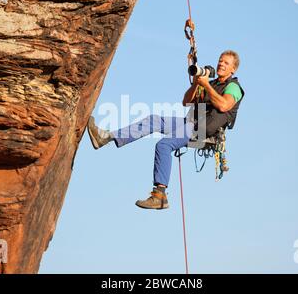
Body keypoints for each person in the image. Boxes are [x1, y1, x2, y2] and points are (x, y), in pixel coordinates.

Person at [87, 50, 245, 210]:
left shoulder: (233, 87)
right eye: (220, 60)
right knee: (153, 120)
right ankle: (106, 137)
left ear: (233, 69)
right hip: (192, 122)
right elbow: (186, 102)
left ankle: (160, 195)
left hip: (203, 129)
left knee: (164, 145)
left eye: (226, 63)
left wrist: (205, 86)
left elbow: (224, 105)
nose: (221, 64)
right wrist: (198, 83)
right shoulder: (212, 84)